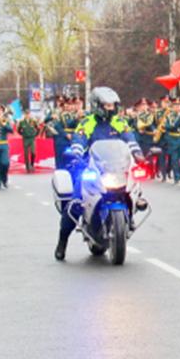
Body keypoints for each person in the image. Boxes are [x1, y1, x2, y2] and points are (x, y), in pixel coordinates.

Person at [55, 86, 142, 260]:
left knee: (134, 186)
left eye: (112, 105)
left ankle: (131, 212)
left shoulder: (119, 122)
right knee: (75, 203)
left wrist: (138, 154)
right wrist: (76, 153)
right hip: (91, 166)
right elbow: (79, 139)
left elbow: (129, 137)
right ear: (97, 105)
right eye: (106, 105)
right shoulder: (88, 122)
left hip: (115, 167)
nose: (110, 108)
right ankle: (62, 241)